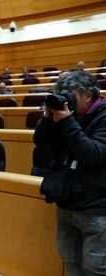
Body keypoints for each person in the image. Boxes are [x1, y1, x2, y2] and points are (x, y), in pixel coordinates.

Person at [34, 70, 106, 275]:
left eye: (70, 95)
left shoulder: (103, 117)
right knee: (70, 261)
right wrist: (48, 117)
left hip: (96, 209)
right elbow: (40, 142)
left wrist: (66, 122)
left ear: (88, 96)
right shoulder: (67, 116)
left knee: (95, 269)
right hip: (66, 202)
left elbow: (93, 154)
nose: (66, 100)